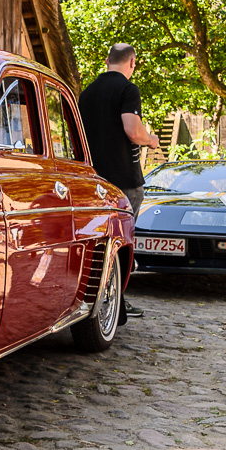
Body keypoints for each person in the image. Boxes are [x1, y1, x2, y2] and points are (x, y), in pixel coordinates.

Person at [78, 43, 160, 317]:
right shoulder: (128, 89)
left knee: (99, 244)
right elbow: (133, 130)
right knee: (121, 244)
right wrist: (151, 140)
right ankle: (117, 303)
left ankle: (99, 300)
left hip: (93, 180)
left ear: (106, 61)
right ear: (132, 62)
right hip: (123, 181)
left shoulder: (86, 93)